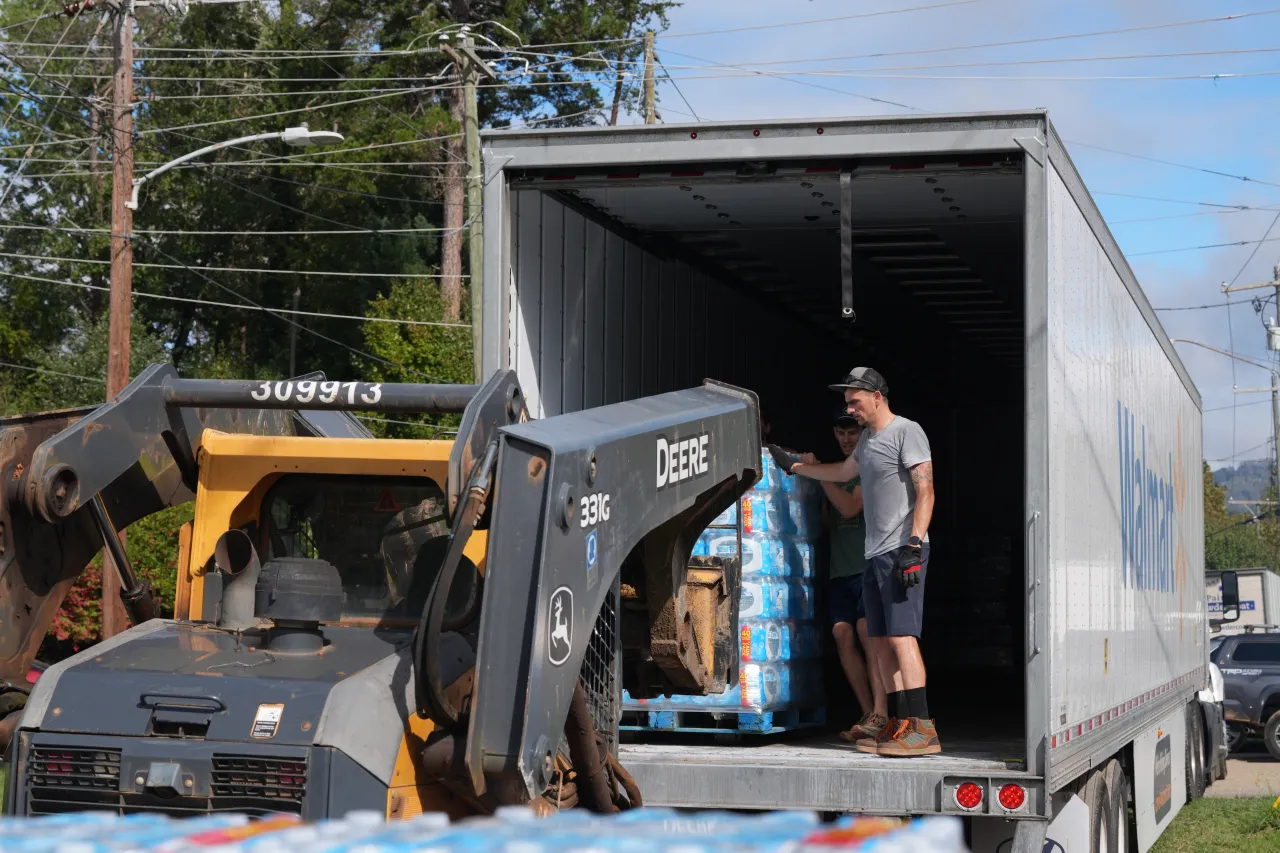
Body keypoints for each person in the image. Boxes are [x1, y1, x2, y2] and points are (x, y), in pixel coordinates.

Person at [792, 367, 939, 757]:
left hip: (901, 550)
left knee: (901, 636)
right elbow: (842, 472)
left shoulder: (907, 431)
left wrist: (914, 543)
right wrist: (796, 468)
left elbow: (926, 490)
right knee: (878, 642)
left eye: (855, 401)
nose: (850, 409)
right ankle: (898, 723)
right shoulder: (867, 443)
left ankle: (923, 727)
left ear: (877, 397)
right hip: (873, 554)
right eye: (847, 403)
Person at [820, 408, 889, 744]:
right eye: (841, 434)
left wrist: (817, 474)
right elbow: (825, 522)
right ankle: (867, 714)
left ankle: (882, 711)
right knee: (841, 634)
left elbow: (848, 508)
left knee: (866, 630)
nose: (847, 440)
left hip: (867, 567)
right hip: (839, 571)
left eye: (853, 434)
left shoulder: (867, 468)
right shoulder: (834, 473)